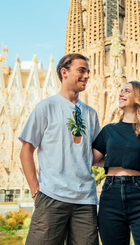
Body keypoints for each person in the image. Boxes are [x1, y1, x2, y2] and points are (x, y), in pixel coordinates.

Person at [19, 53, 101, 245]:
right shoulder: (46, 107)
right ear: (64, 72)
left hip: (85, 201)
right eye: (81, 70)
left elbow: (95, 157)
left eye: (88, 71)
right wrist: (35, 191)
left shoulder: (91, 114)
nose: (87, 75)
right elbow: (26, 150)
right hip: (51, 197)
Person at [93, 81, 140, 245]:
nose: (121, 94)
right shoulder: (109, 130)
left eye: (126, 91)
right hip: (110, 195)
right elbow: (93, 159)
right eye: (121, 91)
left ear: (139, 98)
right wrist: (115, 163)